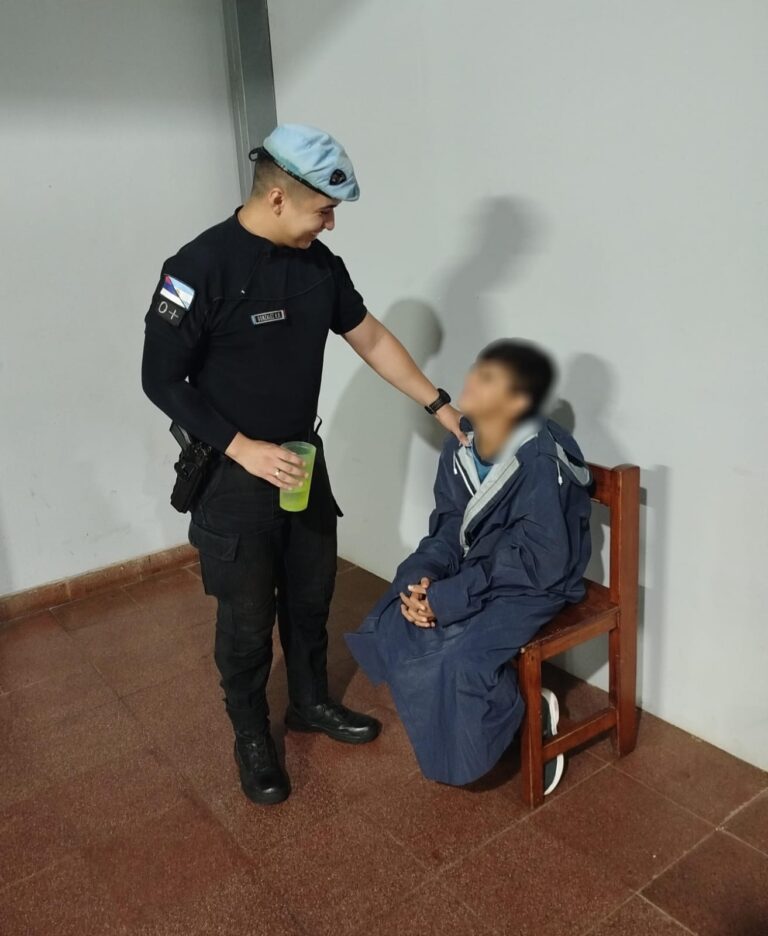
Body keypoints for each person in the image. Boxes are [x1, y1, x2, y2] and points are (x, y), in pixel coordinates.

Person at [141, 124, 467, 805]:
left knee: (312, 595)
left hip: (301, 464)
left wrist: (439, 404)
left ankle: (310, 701)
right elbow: (161, 379)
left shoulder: (319, 266)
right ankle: (252, 735)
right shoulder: (198, 268)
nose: (332, 222)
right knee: (246, 616)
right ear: (281, 197)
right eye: (325, 209)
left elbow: (370, 337)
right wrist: (241, 448)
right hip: (234, 476)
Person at [345, 340, 592, 792]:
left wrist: (447, 598)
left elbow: (539, 559)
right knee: (393, 618)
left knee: (460, 657)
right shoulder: (460, 444)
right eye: (478, 368)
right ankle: (512, 704)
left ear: (517, 402)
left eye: (488, 378)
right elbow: (446, 527)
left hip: (536, 583)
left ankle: (529, 714)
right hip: (483, 575)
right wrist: (421, 582)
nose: (472, 379)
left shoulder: (539, 458)